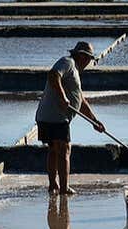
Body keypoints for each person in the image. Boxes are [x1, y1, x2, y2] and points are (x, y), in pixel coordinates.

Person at [35, 41, 105, 195]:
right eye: (89, 59)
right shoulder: (67, 62)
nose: (89, 63)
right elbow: (53, 75)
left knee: (54, 150)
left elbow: (80, 101)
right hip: (56, 117)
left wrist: (94, 121)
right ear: (82, 56)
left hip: (46, 116)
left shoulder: (74, 71)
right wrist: (62, 97)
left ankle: (53, 185)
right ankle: (64, 188)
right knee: (65, 149)